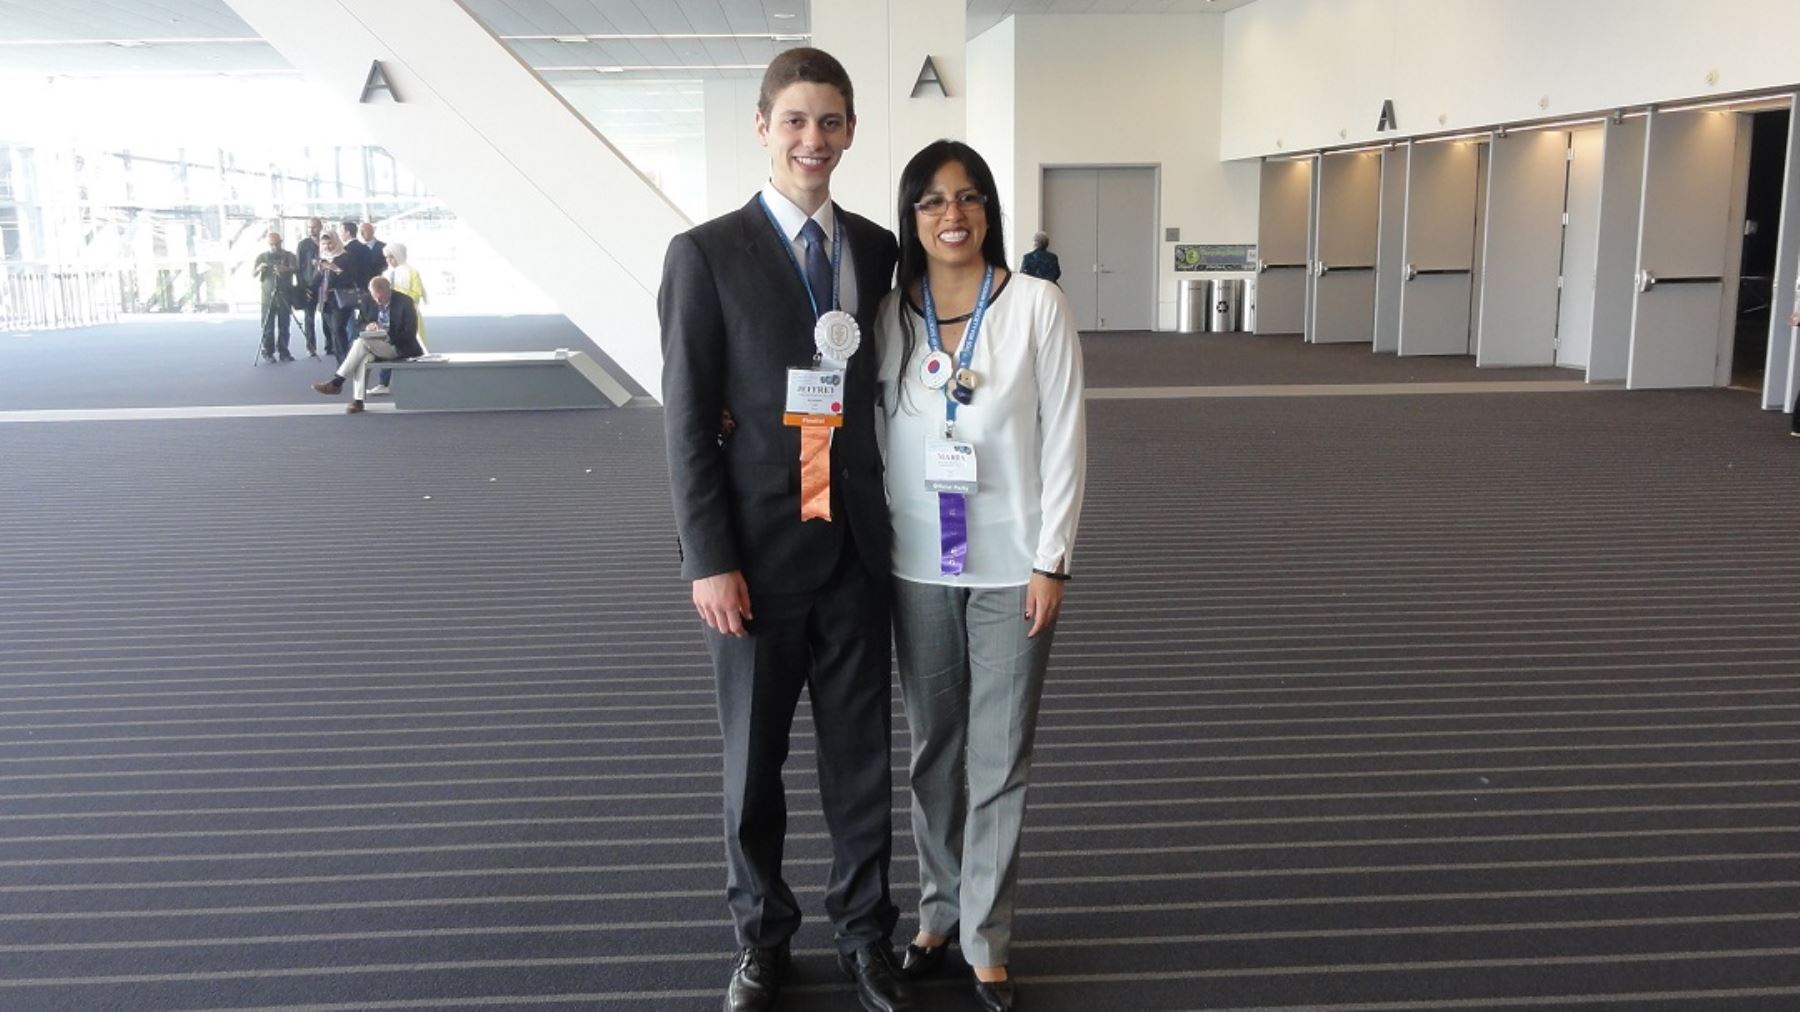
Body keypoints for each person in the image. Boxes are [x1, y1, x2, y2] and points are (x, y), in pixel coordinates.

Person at [657, 47, 911, 1012]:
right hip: (755, 561)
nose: (814, 140)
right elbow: (686, 419)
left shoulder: (879, 250)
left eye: (832, 122)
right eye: (796, 121)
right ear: (761, 127)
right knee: (752, 771)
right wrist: (708, 559)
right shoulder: (706, 254)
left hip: (854, 552)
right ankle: (762, 939)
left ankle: (863, 934)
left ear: (849, 132)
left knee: (862, 762)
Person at [874, 140, 1087, 1012]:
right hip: (916, 565)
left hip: (1011, 565)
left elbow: (1068, 437)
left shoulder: (1036, 305)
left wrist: (1053, 558)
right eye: (930, 202)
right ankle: (936, 912)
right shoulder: (889, 312)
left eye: (966, 199)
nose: (950, 216)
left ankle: (985, 936)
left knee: (999, 754)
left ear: (989, 209)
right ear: (912, 217)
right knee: (935, 750)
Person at [310, 276, 421, 413]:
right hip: (373, 345)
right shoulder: (368, 300)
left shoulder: (405, 302)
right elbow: (359, 325)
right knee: (363, 358)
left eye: (381, 298)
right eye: (375, 297)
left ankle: (337, 382)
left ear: (389, 291)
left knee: (361, 343)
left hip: (398, 347)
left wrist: (387, 334)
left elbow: (410, 333)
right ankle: (358, 401)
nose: (378, 301)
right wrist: (367, 327)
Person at [369, 242, 426, 397]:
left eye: (391, 257)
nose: (388, 260)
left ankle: (417, 383)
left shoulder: (412, 272)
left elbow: (417, 293)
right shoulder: (385, 274)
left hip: (407, 316)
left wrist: (396, 295)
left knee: (413, 349)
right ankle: (383, 382)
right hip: (388, 319)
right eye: (386, 257)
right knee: (389, 346)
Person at [252, 230, 299, 362]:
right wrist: (259, 268)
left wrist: (286, 269)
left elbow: (296, 269)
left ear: (281, 242)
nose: (274, 247)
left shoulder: (289, 256)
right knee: (268, 325)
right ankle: (268, 351)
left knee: (284, 324)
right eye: (271, 244)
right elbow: (253, 273)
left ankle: (284, 351)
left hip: (285, 294)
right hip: (267, 296)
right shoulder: (262, 257)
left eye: (276, 244)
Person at [315, 231, 359, 362]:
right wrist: (319, 271)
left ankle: (345, 360)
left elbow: (351, 278)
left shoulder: (346, 257)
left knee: (338, 328)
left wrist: (335, 269)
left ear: (336, 242)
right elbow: (315, 282)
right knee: (333, 331)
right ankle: (341, 360)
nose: (327, 246)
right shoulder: (321, 259)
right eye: (323, 243)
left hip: (340, 299)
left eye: (330, 243)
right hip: (325, 300)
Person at [296, 217, 324, 359]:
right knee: (309, 317)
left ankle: (330, 345)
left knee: (328, 316)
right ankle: (311, 346)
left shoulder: (327, 242)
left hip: (325, 284)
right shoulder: (303, 245)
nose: (311, 230)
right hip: (309, 285)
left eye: (314, 227)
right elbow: (298, 268)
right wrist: (302, 287)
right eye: (309, 227)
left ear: (320, 227)